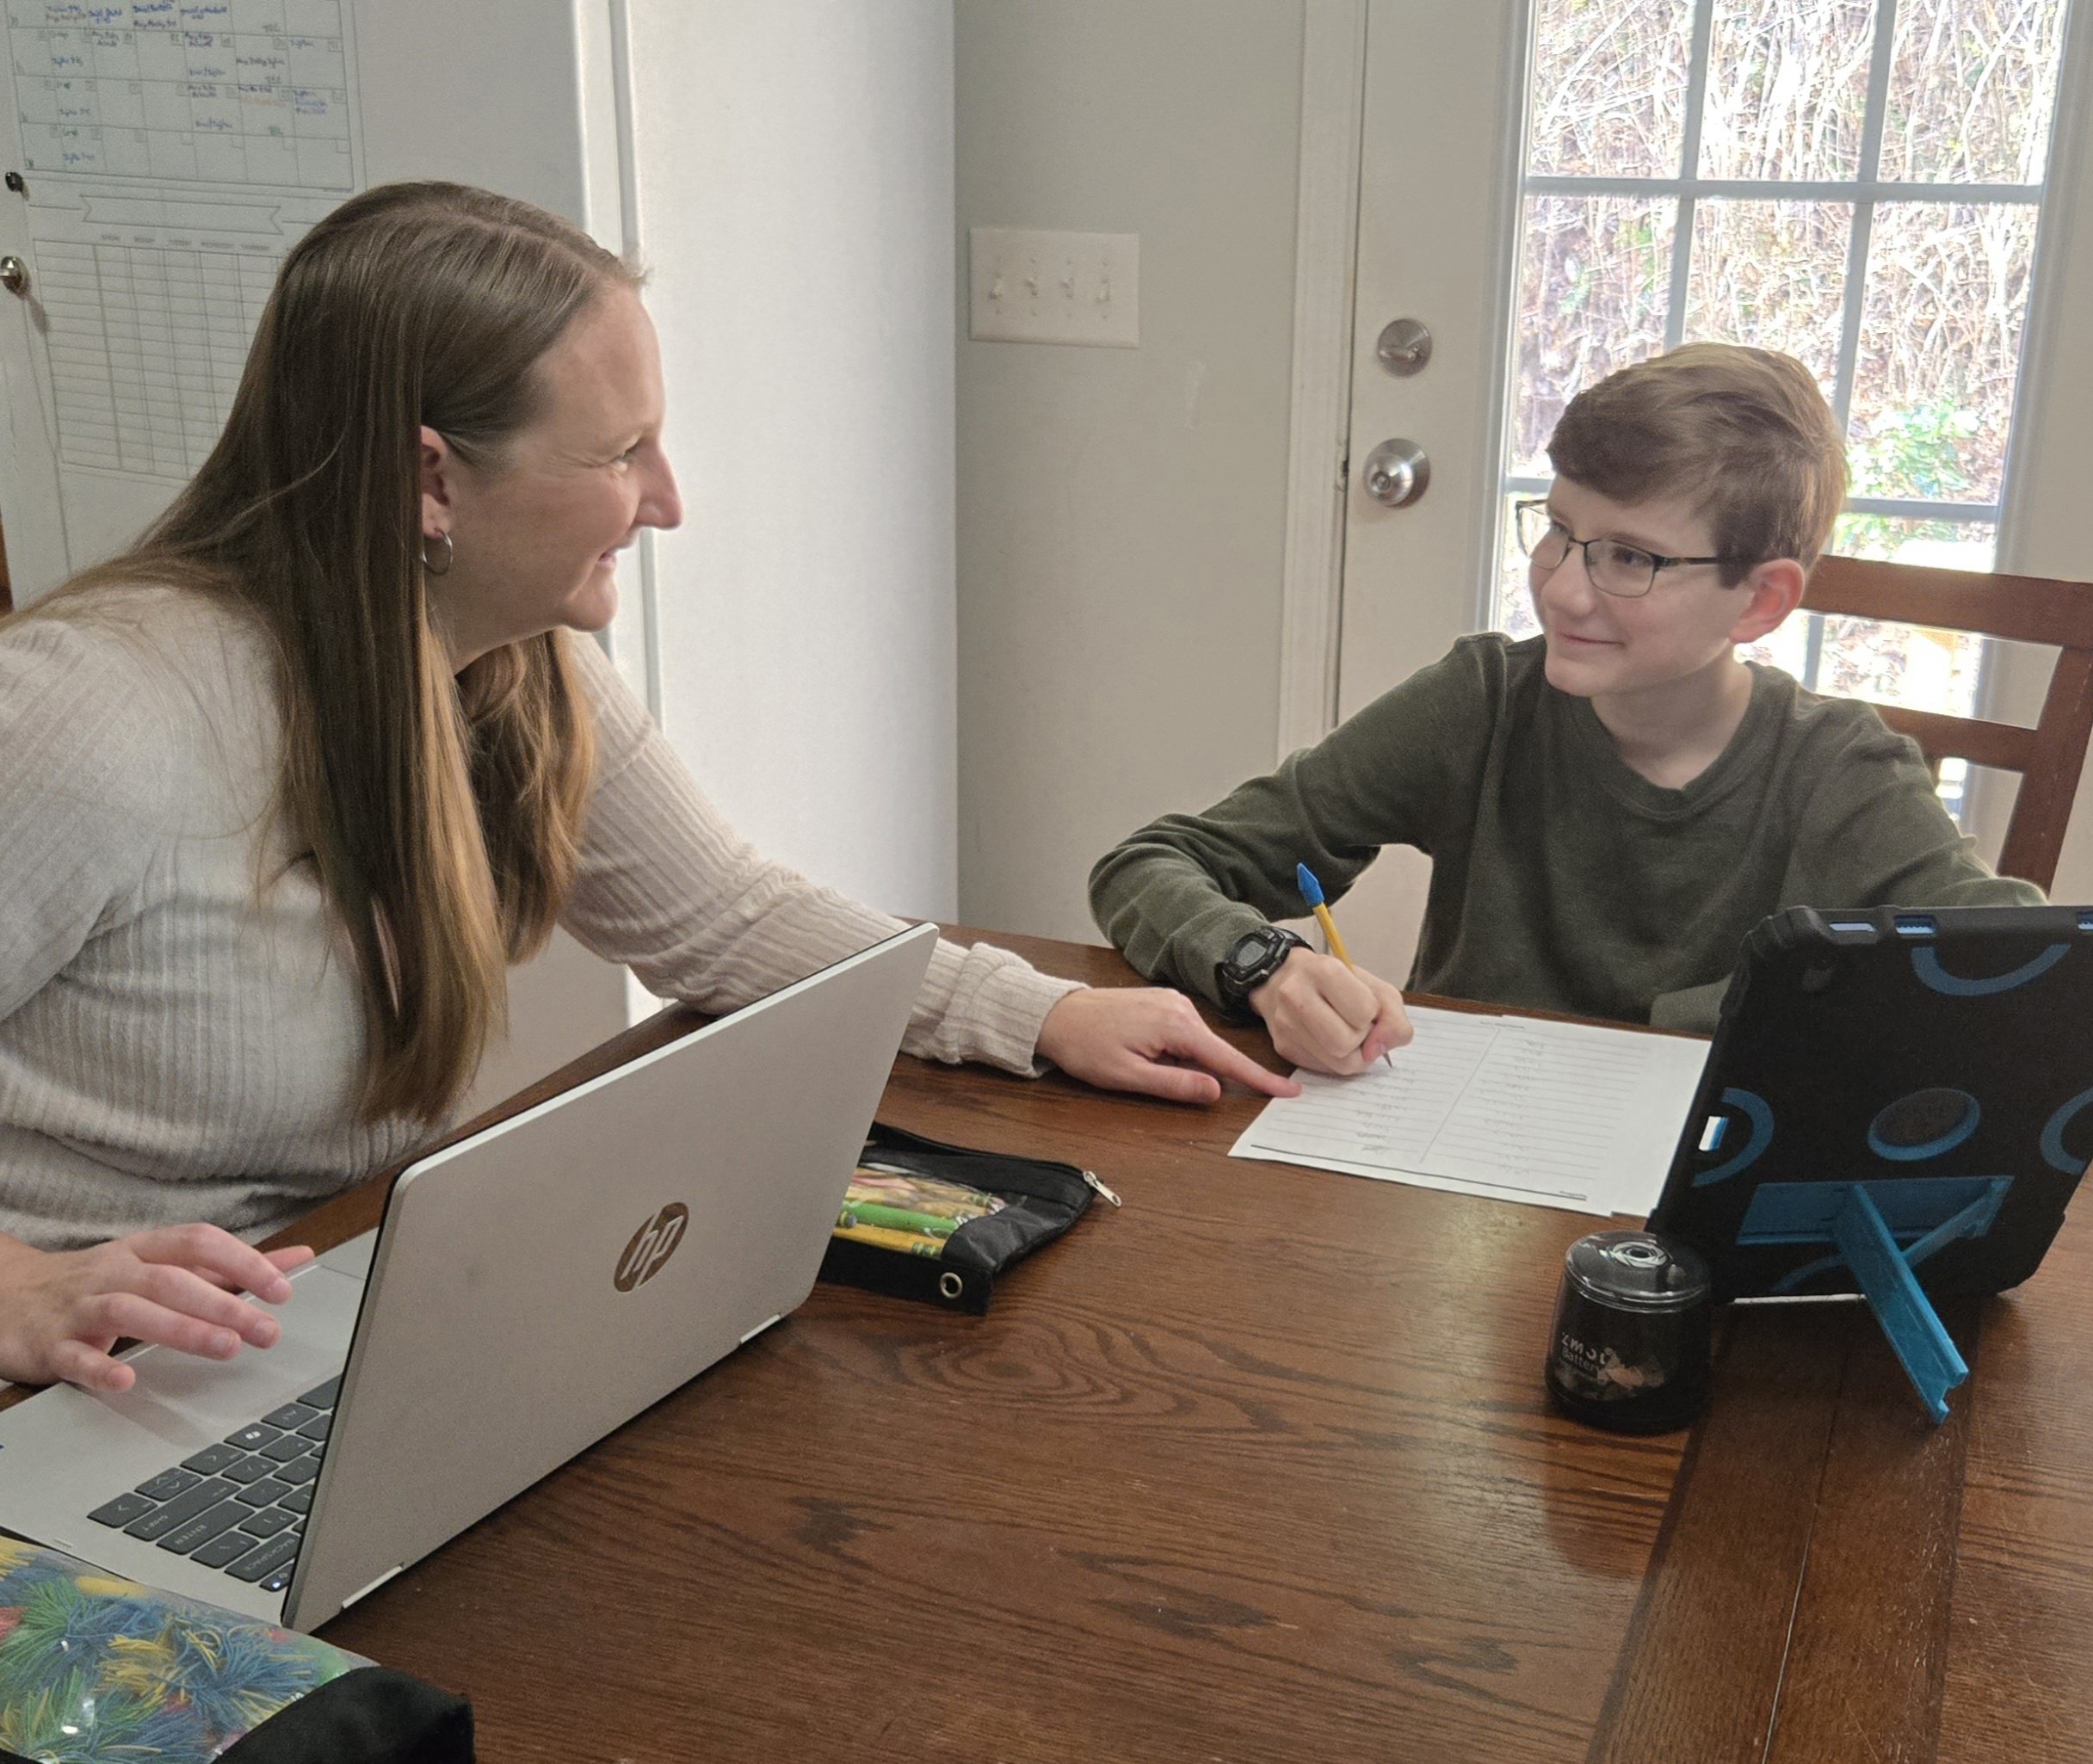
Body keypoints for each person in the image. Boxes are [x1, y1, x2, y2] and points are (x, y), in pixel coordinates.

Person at [0, 182, 1293, 1396]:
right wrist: (23, 1291)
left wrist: (1041, 1011)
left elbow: (720, 916)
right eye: (621, 454)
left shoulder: (509, 665)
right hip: (81, 1384)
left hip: (322, 1315)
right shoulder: (89, 718)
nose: (666, 503)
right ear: (431, 480)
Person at [1090, 342, 2042, 1077]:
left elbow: (2027, 974)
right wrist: (1262, 965)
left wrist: (1719, 1016)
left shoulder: (1836, 767)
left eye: (1629, 557)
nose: (1561, 589)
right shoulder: (1481, 703)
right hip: (1455, 1171)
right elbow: (1147, 863)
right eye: (1556, 530)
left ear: (1758, 600)